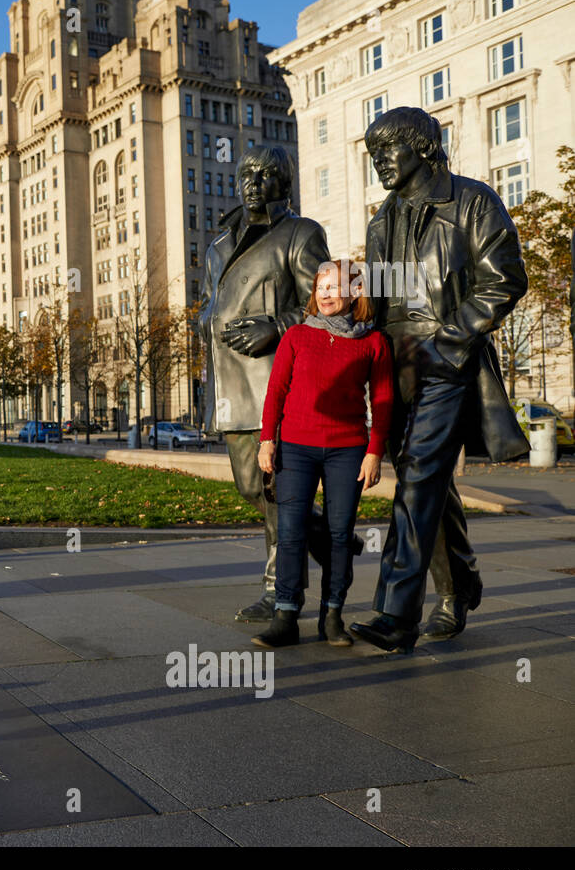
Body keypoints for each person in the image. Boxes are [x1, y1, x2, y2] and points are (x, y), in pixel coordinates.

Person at [350, 107, 528, 653]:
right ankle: (461, 583)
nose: (378, 161)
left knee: (420, 478)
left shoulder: (472, 202)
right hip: (395, 363)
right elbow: (377, 303)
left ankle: (395, 615)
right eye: (372, 153)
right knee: (426, 481)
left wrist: (447, 342)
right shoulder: (382, 220)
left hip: (449, 359)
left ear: (423, 148)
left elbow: (504, 280)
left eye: (388, 150)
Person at [197, 144, 341, 623]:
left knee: (276, 490)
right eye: (246, 174)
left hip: (274, 384)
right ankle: (333, 542)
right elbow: (210, 301)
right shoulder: (219, 245)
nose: (252, 184)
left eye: (264, 175)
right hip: (228, 384)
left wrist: (276, 327)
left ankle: (280, 587)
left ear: (283, 183)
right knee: (251, 488)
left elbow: (321, 302)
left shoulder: (299, 234)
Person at [254, 259, 394, 647]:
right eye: (322, 287)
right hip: (295, 449)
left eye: (335, 286)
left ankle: (332, 615)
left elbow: (382, 401)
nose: (327, 293)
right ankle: (285, 616)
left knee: (338, 534)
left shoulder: (373, 342)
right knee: (291, 532)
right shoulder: (297, 336)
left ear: (354, 292)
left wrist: (374, 452)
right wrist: (268, 440)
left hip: (347, 450)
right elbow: (276, 391)